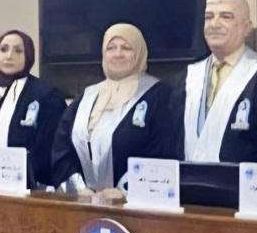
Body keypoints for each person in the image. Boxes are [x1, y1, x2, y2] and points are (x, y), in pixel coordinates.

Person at [51, 24, 173, 196]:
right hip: (83, 201)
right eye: (111, 48)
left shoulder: (159, 95)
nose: (117, 54)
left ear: (139, 53)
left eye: (126, 48)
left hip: (134, 204)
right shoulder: (87, 96)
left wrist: (125, 192)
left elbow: (162, 154)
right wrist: (79, 189)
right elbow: (61, 147)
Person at [171, 0, 257, 163]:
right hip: (188, 178)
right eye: (209, 17)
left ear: (247, 28)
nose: (214, 24)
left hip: (242, 179)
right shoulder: (188, 77)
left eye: (226, 16)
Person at [0, 30, 66, 186]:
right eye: (3, 49)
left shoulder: (47, 96)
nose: (9, 56)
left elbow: (51, 147)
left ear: (28, 55)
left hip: (32, 189)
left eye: (18, 51)